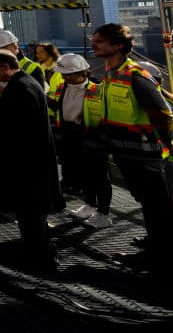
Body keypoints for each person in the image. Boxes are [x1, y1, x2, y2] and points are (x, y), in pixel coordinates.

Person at [90, 23, 173, 274]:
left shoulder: (135, 75)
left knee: (157, 208)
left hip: (144, 156)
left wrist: (166, 143)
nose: (94, 43)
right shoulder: (111, 74)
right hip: (126, 154)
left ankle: (163, 261)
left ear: (118, 46)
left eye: (100, 41)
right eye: (93, 39)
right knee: (149, 205)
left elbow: (162, 113)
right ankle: (156, 251)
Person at [0, 50, 63, 273]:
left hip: (27, 163)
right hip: (30, 161)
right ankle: (38, 252)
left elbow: (15, 124)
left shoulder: (22, 88)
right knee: (29, 213)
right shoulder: (24, 84)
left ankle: (40, 257)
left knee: (31, 213)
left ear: (4, 67)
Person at [48, 54, 113, 228]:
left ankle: (104, 214)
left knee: (99, 176)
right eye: (63, 73)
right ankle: (90, 205)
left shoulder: (97, 89)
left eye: (69, 74)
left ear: (83, 72)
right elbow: (58, 107)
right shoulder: (62, 87)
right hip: (70, 135)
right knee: (84, 174)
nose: (64, 77)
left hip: (93, 137)